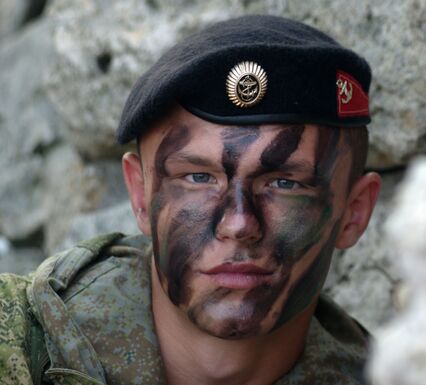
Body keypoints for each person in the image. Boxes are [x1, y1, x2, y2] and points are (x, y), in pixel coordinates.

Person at [0, 15, 380, 385]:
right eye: (198, 177)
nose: (238, 224)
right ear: (140, 194)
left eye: (284, 183)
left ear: (354, 212)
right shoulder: (14, 345)